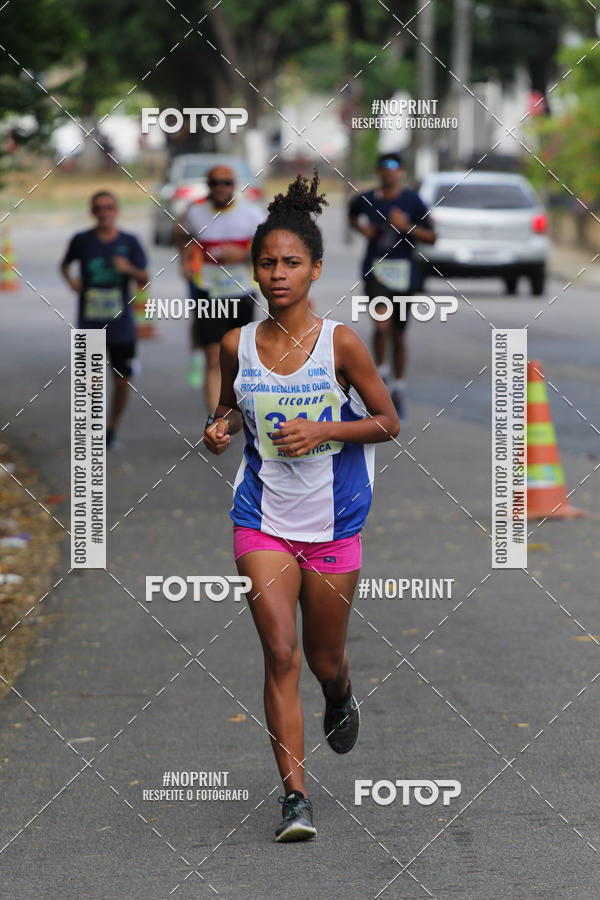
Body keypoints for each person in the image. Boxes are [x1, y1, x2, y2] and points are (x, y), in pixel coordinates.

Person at [204, 172, 400, 842]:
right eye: (267, 263)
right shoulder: (236, 345)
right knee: (280, 652)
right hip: (261, 521)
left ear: (316, 269)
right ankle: (295, 799)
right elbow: (232, 406)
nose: (278, 274)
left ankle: (339, 693)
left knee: (322, 659)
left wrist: (324, 430)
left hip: (333, 526)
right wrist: (220, 427)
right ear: (254, 270)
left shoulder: (340, 343)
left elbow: (388, 421)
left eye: (291, 262)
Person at [348, 152, 436, 419]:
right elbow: (352, 214)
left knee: (398, 335)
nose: (389, 173)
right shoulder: (367, 199)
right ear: (379, 172)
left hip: (404, 275)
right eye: (384, 168)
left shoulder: (412, 201)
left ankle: (398, 386)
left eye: (394, 168)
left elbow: (432, 237)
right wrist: (361, 228)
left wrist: (406, 226)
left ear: (401, 173)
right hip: (376, 273)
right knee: (381, 323)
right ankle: (381, 373)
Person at [60, 190, 148, 449]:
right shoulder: (82, 240)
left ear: (116, 210)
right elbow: (64, 265)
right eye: (98, 208)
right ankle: (93, 430)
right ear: (92, 212)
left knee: (122, 380)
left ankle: (112, 428)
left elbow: (144, 278)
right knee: (90, 382)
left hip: (121, 326)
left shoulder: (129, 241)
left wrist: (128, 269)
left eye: (108, 207)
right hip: (89, 323)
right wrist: (72, 281)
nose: (104, 212)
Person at [183, 165, 265, 411]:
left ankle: (239, 411)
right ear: (208, 186)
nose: (220, 188)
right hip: (209, 293)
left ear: (234, 185)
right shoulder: (195, 213)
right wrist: (185, 260)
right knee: (213, 358)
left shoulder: (252, 214)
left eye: (226, 182)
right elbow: (183, 235)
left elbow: (268, 249)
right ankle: (216, 418)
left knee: (238, 358)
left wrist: (243, 254)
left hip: (242, 294)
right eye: (214, 183)